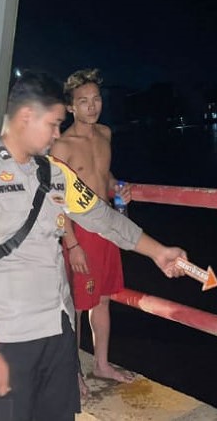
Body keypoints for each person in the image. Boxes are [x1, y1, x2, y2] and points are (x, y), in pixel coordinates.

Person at [0, 71, 188, 421]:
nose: (58, 134)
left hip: (57, 330)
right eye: (53, 124)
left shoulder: (54, 174)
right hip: (7, 336)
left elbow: (101, 218)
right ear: (26, 117)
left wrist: (158, 252)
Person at [50, 69, 134, 392]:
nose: (92, 106)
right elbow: (56, 201)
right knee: (74, 304)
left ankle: (100, 365)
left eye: (96, 99)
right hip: (80, 230)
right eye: (83, 101)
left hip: (107, 226)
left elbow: (103, 171)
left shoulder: (106, 133)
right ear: (70, 106)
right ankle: (71, 371)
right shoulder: (61, 146)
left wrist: (117, 187)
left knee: (103, 301)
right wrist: (72, 244)